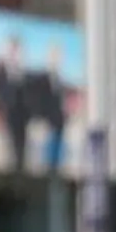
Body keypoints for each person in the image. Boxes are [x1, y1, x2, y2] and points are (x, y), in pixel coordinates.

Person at [33, 41, 68, 171]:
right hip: (47, 124)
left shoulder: (60, 79)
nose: (56, 59)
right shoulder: (42, 78)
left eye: (58, 56)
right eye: (53, 56)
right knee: (46, 161)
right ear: (48, 58)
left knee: (57, 161)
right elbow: (38, 101)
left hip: (59, 124)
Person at [0, 35, 30, 171]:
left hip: (22, 116)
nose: (14, 54)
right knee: (10, 145)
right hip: (9, 114)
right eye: (12, 50)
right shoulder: (2, 73)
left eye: (16, 50)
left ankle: (20, 167)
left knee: (21, 146)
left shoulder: (25, 75)